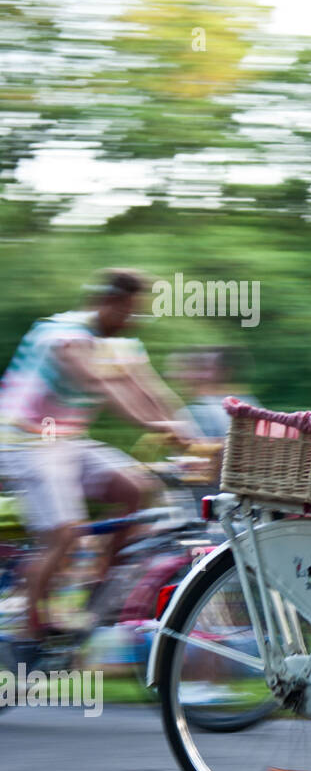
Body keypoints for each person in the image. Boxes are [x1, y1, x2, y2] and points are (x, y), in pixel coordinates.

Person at [0, 269, 198, 642]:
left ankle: (97, 585)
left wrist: (190, 431)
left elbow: (149, 388)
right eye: (128, 311)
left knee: (136, 490)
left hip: (67, 440)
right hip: (23, 442)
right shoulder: (63, 336)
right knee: (64, 533)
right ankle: (31, 627)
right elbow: (102, 384)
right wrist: (156, 426)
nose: (132, 320)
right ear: (107, 303)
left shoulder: (121, 343)